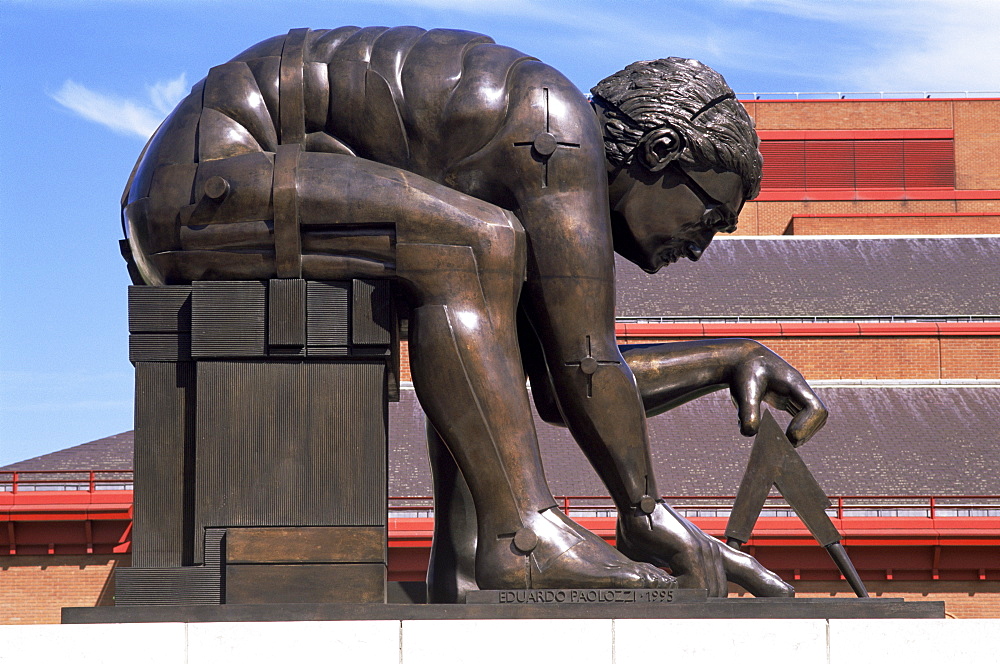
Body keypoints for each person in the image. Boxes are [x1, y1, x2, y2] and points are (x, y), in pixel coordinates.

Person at [122, 26, 827, 598]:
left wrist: (729, 359)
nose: (698, 247)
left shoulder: (526, 160)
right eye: (707, 217)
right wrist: (647, 515)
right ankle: (521, 537)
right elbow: (589, 365)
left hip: (221, 184)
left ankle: (462, 564)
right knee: (473, 247)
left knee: (479, 285)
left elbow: (555, 386)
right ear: (661, 150)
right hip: (203, 183)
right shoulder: (557, 130)